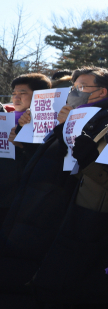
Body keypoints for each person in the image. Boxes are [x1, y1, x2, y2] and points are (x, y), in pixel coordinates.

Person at [0, 67, 108, 308]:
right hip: (34, 202)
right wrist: (25, 135)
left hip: (56, 207)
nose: (74, 92)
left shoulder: (105, 120)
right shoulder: (72, 113)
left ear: (101, 92)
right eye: (73, 87)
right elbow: (49, 156)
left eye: (82, 87)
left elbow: (76, 163)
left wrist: (68, 125)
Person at [1, 74, 51, 224]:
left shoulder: (48, 124)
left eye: (22, 93)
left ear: (38, 96)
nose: (16, 98)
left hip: (20, 198)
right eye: (14, 93)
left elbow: (47, 162)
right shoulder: (5, 118)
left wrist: (23, 146)